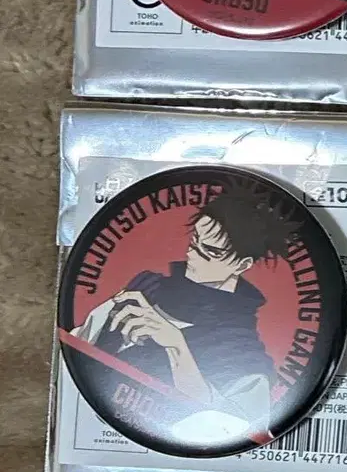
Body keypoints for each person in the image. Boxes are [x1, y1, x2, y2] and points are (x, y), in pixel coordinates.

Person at [72, 179, 296, 428]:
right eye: (194, 242)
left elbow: (236, 428)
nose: (191, 255)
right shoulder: (145, 287)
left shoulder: (243, 351)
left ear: (242, 265)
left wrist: (176, 346)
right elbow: (73, 348)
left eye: (211, 252)